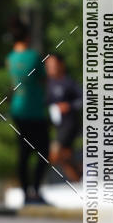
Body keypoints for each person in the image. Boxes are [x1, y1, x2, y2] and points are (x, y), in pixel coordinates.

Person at [6, 19, 49, 204]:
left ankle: (25, 194)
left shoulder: (10, 58)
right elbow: (44, 80)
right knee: (43, 151)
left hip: (18, 109)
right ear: (28, 36)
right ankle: (36, 191)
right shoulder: (34, 56)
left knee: (23, 153)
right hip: (35, 110)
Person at [45, 53, 83, 182]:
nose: (51, 68)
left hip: (68, 125)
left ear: (61, 65)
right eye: (48, 65)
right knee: (65, 157)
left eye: (53, 65)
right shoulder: (46, 84)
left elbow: (84, 99)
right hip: (54, 126)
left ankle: (38, 182)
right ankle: (79, 177)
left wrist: (69, 106)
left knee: (54, 154)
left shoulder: (68, 83)